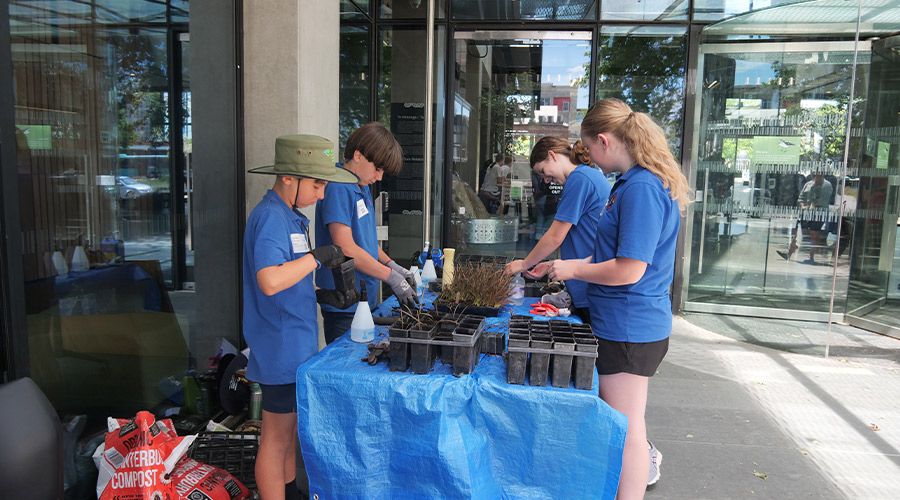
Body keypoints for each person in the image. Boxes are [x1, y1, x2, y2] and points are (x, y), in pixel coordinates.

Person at [546, 99, 691, 499]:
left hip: (630, 327)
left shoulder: (642, 187)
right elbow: (616, 255)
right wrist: (573, 265)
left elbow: (629, 269)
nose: (588, 156)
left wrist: (574, 269)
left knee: (628, 432)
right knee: (626, 427)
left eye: (589, 147)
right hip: (626, 324)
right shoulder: (633, 183)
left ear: (605, 141)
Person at [243, 134, 360, 500]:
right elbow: (269, 280)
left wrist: (325, 294)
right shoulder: (270, 218)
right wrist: (317, 257)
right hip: (279, 346)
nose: (322, 194)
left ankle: (290, 491)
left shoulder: (292, 218)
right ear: (289, 178)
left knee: (288, 434)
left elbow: (290, 278)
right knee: (275, 440)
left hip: (297, 344)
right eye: (317, 184)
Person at [315, 122, 418, 344]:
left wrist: (393, 265)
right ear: (358, 155)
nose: (379, 177)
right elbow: (346, 248)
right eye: (377, 168)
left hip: (363, 299)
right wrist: (391, 278)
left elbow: (367, 242)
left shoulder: (360, 186)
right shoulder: (338, 187)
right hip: (345, 302)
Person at [504, 136, 611, 324]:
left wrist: (524, 264)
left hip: (590, 285)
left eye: (543, 171)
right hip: (589, 280)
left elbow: (555, 237)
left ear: (552, 155)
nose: (545, 180)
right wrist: (551, 264)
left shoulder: (579, 179)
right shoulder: (588, 176)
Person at [777, 173, 833, 264]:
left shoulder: (827, 185)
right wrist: (802, 206)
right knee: (798, 231)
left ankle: (811, 255)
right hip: (805, 212)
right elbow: (801, 198)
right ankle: (790, 251)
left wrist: (812, 204)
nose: (815, 176)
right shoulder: (808, 184)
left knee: (814, 234)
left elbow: (823, 200)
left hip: (818, 214)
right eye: (814, 174)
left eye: (817, 175)